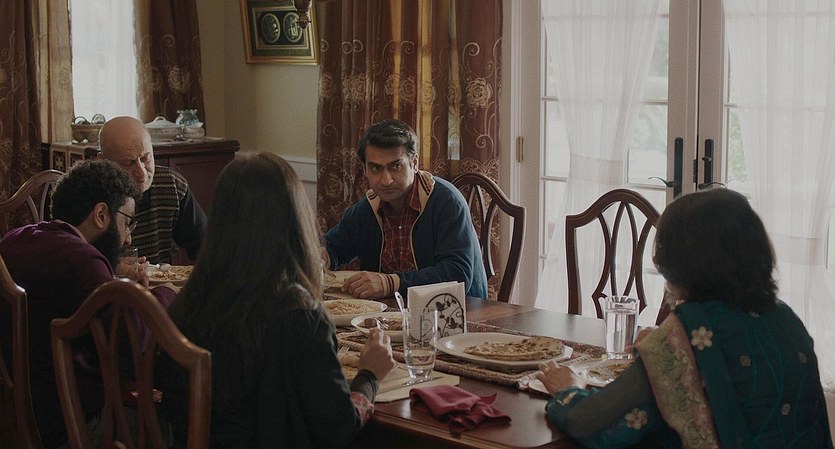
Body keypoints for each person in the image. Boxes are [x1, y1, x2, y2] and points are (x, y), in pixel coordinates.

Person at [536, 188, 833, 448]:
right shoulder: (785, 318)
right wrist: (660, 348)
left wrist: (568, 389)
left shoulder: (686, 332)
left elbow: (594, 424)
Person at [159, 153, 397, 448]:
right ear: (294, 220)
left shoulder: (188, 301)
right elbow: (338, 429)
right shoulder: (298, 315)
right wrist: (370, 375)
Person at [0, 160, 178, 449]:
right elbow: (132, 343)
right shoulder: (82, 261)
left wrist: (112, 276)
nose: (128, 238)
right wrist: (164, 294)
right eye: (127, 222)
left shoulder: (15, 240)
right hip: (69, 426)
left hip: (16, 421)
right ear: (101, 215)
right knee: (179, 420)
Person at [323, 119, 488, 299]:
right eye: (375, 168)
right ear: (365, 170)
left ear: (414, 163)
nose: (386, 180)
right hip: (391, 310)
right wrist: (322, 256)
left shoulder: (447, 202)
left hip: (459, 310)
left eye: (396, 166)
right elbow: (333, 247)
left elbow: (458, 275)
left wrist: (390, 283)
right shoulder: (367, 209)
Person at [98, 116, 207, 264]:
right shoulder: (89, 195)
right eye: (128, 163)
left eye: (145, 159)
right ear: (103, 161)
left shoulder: (170, 185)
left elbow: (207, 247)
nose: (142, 173)